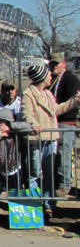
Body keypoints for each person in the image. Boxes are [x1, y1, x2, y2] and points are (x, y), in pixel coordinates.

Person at [21, 63, 80, 220]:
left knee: (49, 174)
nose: (50, 76)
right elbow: (27, 114)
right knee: (34, 174)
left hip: (50, 139)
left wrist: (75, 100)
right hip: (36, 140)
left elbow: (58, 109)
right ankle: (34, 207)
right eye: (47, 74)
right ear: (41, 77)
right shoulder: (28, 94)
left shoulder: (48, 94)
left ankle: (48, 205)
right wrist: (34, 124)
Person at [47, 52, 80, 196]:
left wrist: (54, 109)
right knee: (51, 154)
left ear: (64, 64)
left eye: (57, 64)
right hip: (51, 122)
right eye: (52, 63)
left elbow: (71, 101)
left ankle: (65, 184)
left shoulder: (70, 79)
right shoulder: (48, 80)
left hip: (65, 122)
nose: (54, 66)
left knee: (63, 153)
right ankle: (53, 182)